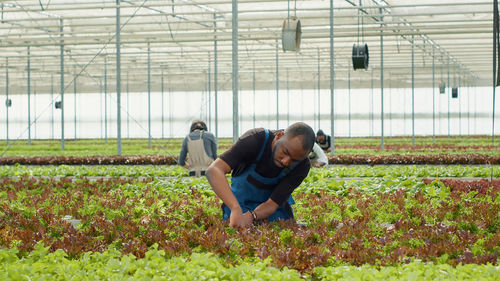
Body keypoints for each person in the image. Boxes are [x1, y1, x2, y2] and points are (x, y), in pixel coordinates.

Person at [205, 122, 315, 228]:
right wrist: (235, 208)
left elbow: (272, 204)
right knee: (236, 226)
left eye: (294, 160)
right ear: (279, 136)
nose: (286, 162)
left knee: (279, 227)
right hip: (240, 203)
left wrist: (252, 216)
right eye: (285, 152)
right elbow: (214, 170)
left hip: (270, 212)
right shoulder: (255, 140)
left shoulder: (302, 166)